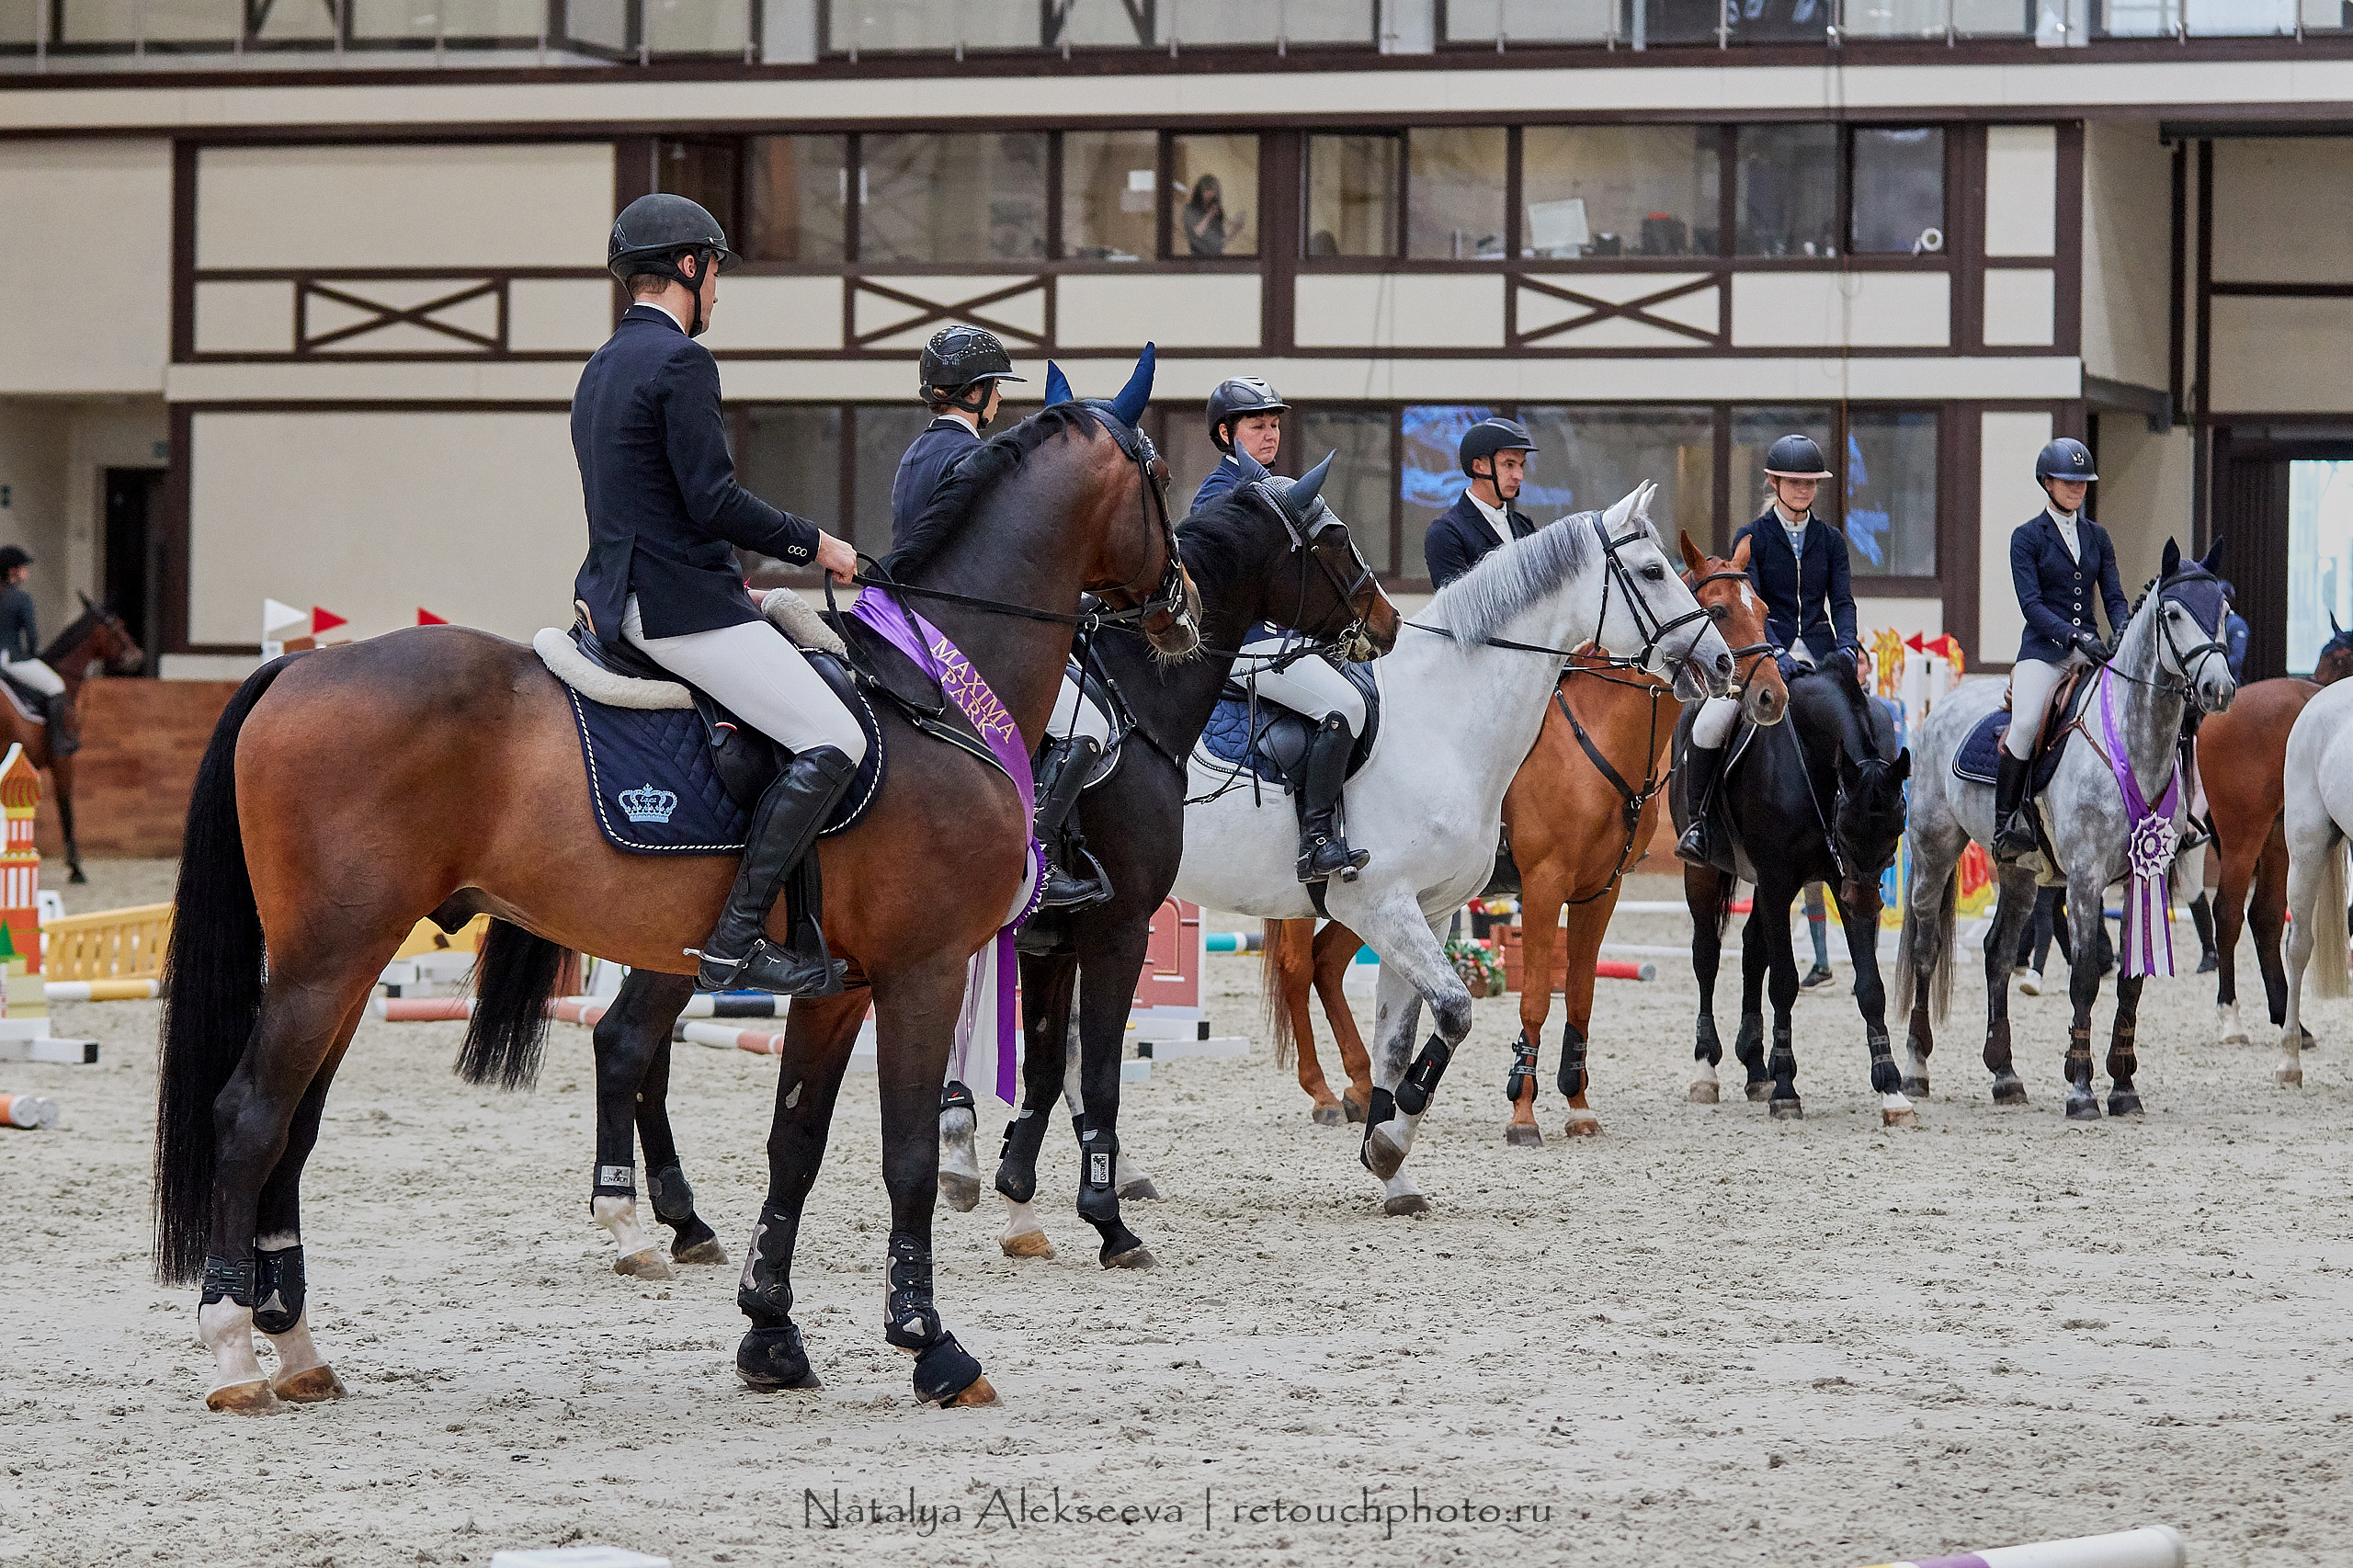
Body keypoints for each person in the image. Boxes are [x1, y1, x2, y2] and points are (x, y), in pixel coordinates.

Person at [574, 192, 863, 996]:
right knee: (836, 737)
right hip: (679, 608)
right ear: (691, 268)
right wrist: (817, 544)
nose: (717, 296)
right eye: (715, 275)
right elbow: (713, 502)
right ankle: (736, 939)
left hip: (610, 597)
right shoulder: (681, 362)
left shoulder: (601, 365)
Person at [886, 324, 1121, 914]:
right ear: (977, 392)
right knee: (1088, 726)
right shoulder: (975, 459)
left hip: (909, 625)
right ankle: (1032, 856)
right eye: (995, 388)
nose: (998, 400)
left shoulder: (915, 454)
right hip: (965, 639)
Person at [1195, 379, 1370, 883]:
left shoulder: (1277, 490)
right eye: (1258, 425)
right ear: (1227, 434)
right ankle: (1315, 839)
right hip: (1241, 645)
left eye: (1274, 425)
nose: (1270, 435)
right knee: (1345, 706)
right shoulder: (1221, 497)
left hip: (1279, 636)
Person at [1677, 434, 1859, 866]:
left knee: (1862, 721)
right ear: (1774, 483)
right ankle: (1699, 824)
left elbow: (1844, 602)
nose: (1803, 490)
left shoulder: (1831, 540)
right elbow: (1747, 608)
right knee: (1708, 723)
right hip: (1763, 651)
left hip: (1820, 650)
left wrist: (1850, 649)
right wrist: (1774, 653)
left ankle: (1863, 824)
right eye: (1794, 482)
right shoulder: (1752, 537)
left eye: (1811, 483)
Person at [1991, 437, 2127, 861]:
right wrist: (2073, 636)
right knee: (2028, 721)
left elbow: (2115, 597)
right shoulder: (2026, 537)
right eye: (2068, 481)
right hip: (2043, 652)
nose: (2077, 488)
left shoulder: (2097, 537)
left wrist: (2120, 633)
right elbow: (2031, 605)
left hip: (2090, 650)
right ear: (2047, 482)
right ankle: (2006, 820)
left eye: (2083, 482)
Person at [1423, 416, 1540, 591]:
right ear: (1478, 467)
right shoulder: (1446, 532)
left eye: (1520, 465)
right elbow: (1458, 604)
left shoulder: (1525, 526)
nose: (1519, 475)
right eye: (1509, 464)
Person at [0, 546, 75, 756]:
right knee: (56, 686)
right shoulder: (21, 599)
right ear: (13, 571)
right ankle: (59, 743)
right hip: (11, 658)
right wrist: (33, 656)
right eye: (24, 567)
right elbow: (32, 636)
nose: (27, 572)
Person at [1181, 173, 1239, 258]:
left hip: (1215, 256)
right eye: (1208, 191)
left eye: (1215, 192)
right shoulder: (1190, 211)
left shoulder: (1215, 208)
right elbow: (1197, 232)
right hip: (1199, 256)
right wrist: (1209, 216)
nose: (1212, 195)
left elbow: (1220, 241)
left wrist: (1234, 227)